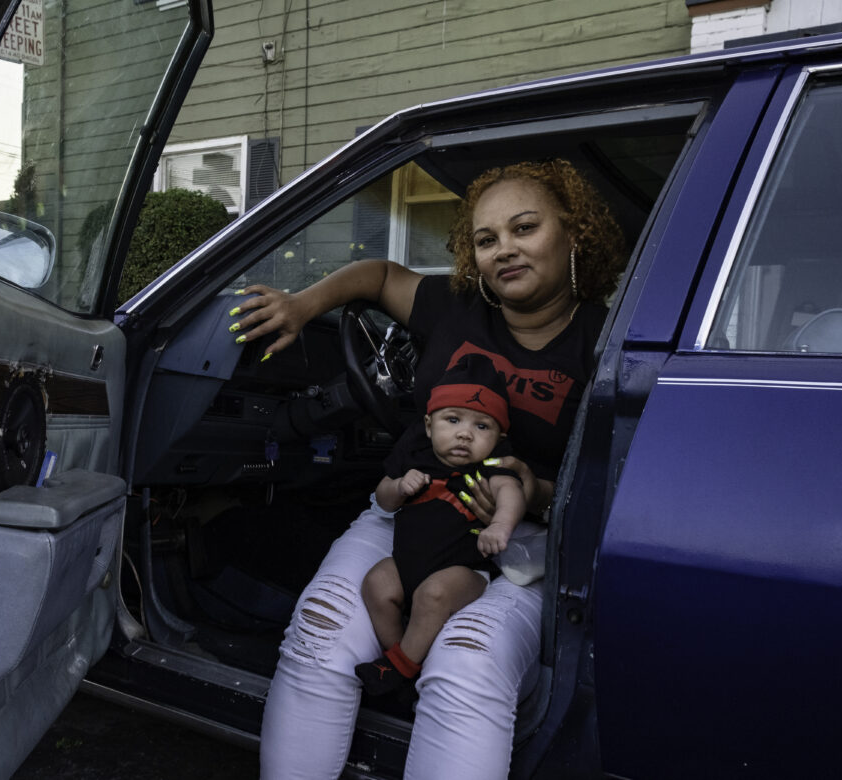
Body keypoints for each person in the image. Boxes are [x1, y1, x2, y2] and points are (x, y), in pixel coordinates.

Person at [231, 158, 626, 779]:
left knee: (467, 665)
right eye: (486, 239)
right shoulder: (456, 308)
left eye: (525, 228)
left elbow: (614, 478)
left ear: (573, 233)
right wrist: (304, 304)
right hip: (407, 511)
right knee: (320, 629)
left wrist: (534, 490)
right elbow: (380, 274)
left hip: (521, 544)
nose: (504, 251)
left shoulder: (609, 344)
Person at [355, 355, 525, 698]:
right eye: (453, 420)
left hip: (463, 571)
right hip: (408, 563)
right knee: (376, 583)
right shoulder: (415, 458)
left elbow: (512, 493)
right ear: (429, 426)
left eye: (482, 426)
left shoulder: (490, 467)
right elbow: (383, 498)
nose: (464, 433)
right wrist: (399, 486)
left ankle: (398, 669)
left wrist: (500, 527)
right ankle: (402, 654)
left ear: (499, 437)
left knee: (432, 595)